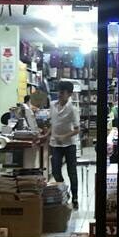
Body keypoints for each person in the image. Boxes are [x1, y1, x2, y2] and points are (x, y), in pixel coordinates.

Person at [48, 80, 81, 209]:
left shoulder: (73, 109)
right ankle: (64, 193)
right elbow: (52, 124)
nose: (59, 94)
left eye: (62, 92)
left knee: (72, 172)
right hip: (55, 144)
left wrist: (64, 136)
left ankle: (75, 198)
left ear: (69, 94)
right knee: (56, 171)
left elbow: (77, 130)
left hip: (69, 145)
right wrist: (45, 135)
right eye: (59, 92)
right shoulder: (52, 105)